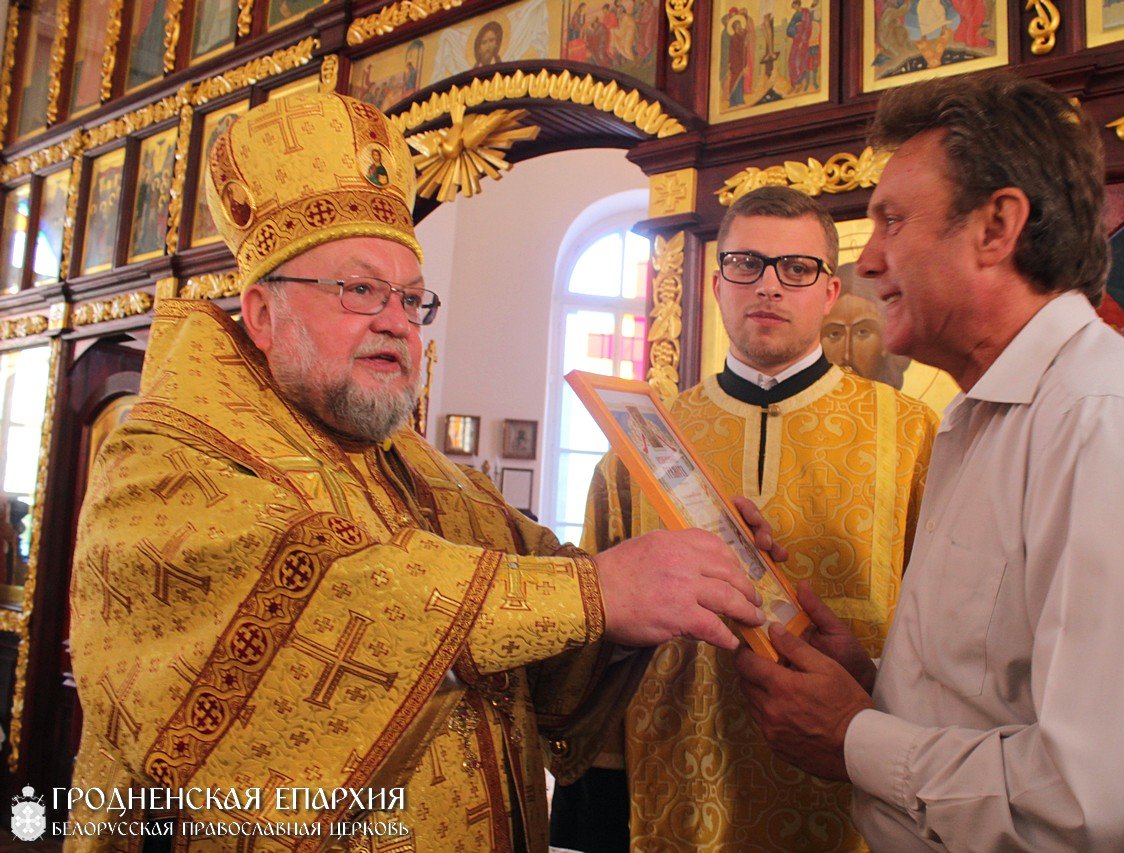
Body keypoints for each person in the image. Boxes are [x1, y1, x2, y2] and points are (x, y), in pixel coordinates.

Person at [67, 91, 775, 852]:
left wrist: (683, 571)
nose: (397, 320)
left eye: (412, 297)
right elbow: (332, 595)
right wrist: (598, 591)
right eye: (360, 288)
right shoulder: (162, 458)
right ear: (263, 314)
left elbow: (553, 637)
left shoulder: (429, 474)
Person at [734, 71, 1124, 850]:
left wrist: (854, 736)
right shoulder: (983, 416)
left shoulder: (1107, 422)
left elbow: (1117, 797)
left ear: (995, 226)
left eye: (891, 220)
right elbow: (1004, 696)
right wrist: (875, 681)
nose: (868, 261)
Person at [550, 185, 937, 851]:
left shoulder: (910, 433)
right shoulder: (643, 437)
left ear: (828, 289)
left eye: (795, 268)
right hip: (675, 785)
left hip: (852, 794)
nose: (767, 286)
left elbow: (949, 630)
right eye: (745, 264)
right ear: (717, 281)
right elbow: (594, 627)